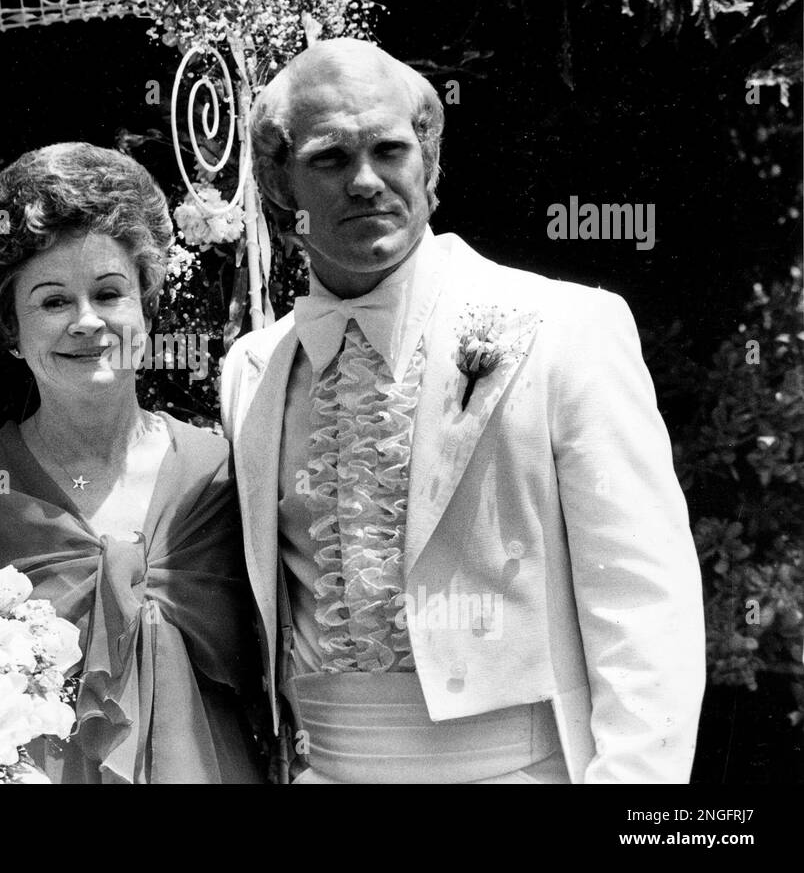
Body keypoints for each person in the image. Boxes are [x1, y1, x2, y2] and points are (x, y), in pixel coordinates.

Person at [219, 38, 705, 783]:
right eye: (328, 158)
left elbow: (643, 601)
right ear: (281, 188)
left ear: (429, 165)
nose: (366, 182)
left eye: (390, 150)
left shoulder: (565, 329)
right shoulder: (251, 371)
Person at [0, 142, 265, 783]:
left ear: (145, 306)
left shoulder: (222, 473)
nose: (88, 322)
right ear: (13, 331)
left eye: (110, 293)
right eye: (54, 302)